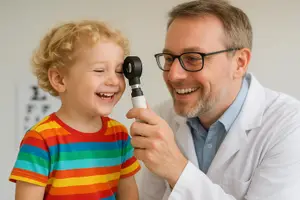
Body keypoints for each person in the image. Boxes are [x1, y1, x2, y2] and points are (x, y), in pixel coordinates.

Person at [126, 0, 300, 199]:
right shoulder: (162, 117)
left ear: (239, 63)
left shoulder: (289, 126)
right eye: (169, 58)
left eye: (193, 58)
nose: (173, 75)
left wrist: (177, 170)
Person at [9, 20, 140, 200]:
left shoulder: (119, 136)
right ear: (60, 79)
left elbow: (129, 196)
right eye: (100, 70)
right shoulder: (40, 140)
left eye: (119, 71)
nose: (114, 81)